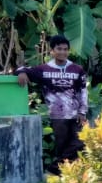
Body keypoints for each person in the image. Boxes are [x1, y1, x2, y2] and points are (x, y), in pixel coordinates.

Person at [16, 35, 88, 173]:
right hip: (57, 115)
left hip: (76, 114)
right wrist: (21, 73)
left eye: (65, 49)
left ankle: (54, 168)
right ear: (52, 51)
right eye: (59, 49)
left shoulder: (77, 69)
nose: (62, 52)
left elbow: (83, 92)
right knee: (61, 145)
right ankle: (63, 174)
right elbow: (23, 69)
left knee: (81, 141)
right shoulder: (44, 69)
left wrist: (82, 111)